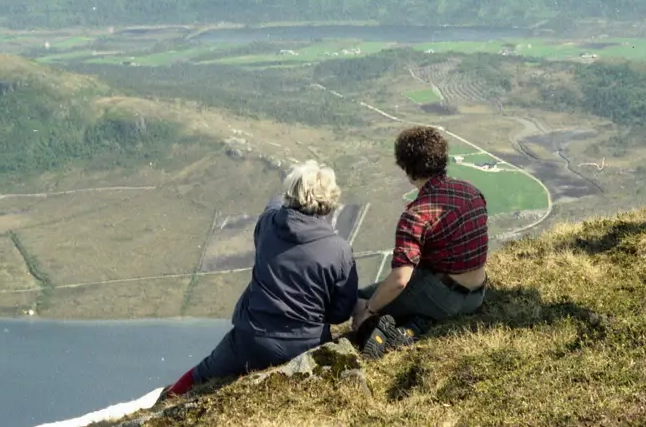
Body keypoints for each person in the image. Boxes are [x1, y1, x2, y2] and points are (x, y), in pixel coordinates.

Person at [158, 161, 358, 399]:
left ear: (291, 193)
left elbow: (273, 206)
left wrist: (288, 194)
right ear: (329, 200)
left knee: (203, 372)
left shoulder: (267, 226)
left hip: (252, 340)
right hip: (305, 345)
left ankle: (166, 403)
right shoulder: (339, 250)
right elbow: (341, 313)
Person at [351, 126, 488, 358]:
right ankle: (416, 325)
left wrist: (369, 309)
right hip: (477, 293)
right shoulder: (471, 191)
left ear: (408, 168)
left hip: (444, 296)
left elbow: (399, 280)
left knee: (359, 298)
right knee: (408, 290)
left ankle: (375, 338)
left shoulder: (417, 214)